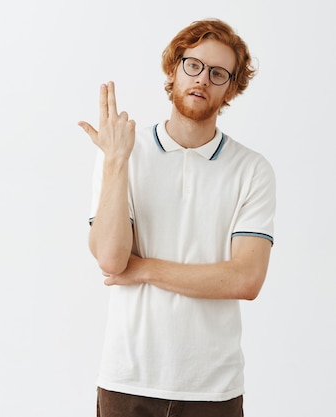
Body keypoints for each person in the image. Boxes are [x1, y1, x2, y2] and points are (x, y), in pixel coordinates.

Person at [78, 18, 275, 416]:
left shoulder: (252, 170)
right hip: (127, 380)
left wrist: (146, 269)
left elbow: (246, 278)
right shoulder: (121, 153)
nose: (202, 79)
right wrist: (116, 161)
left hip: (213, 389)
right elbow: (113, 261)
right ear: (174, 67)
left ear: (231, 88)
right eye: (194, 64)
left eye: (218, 73)